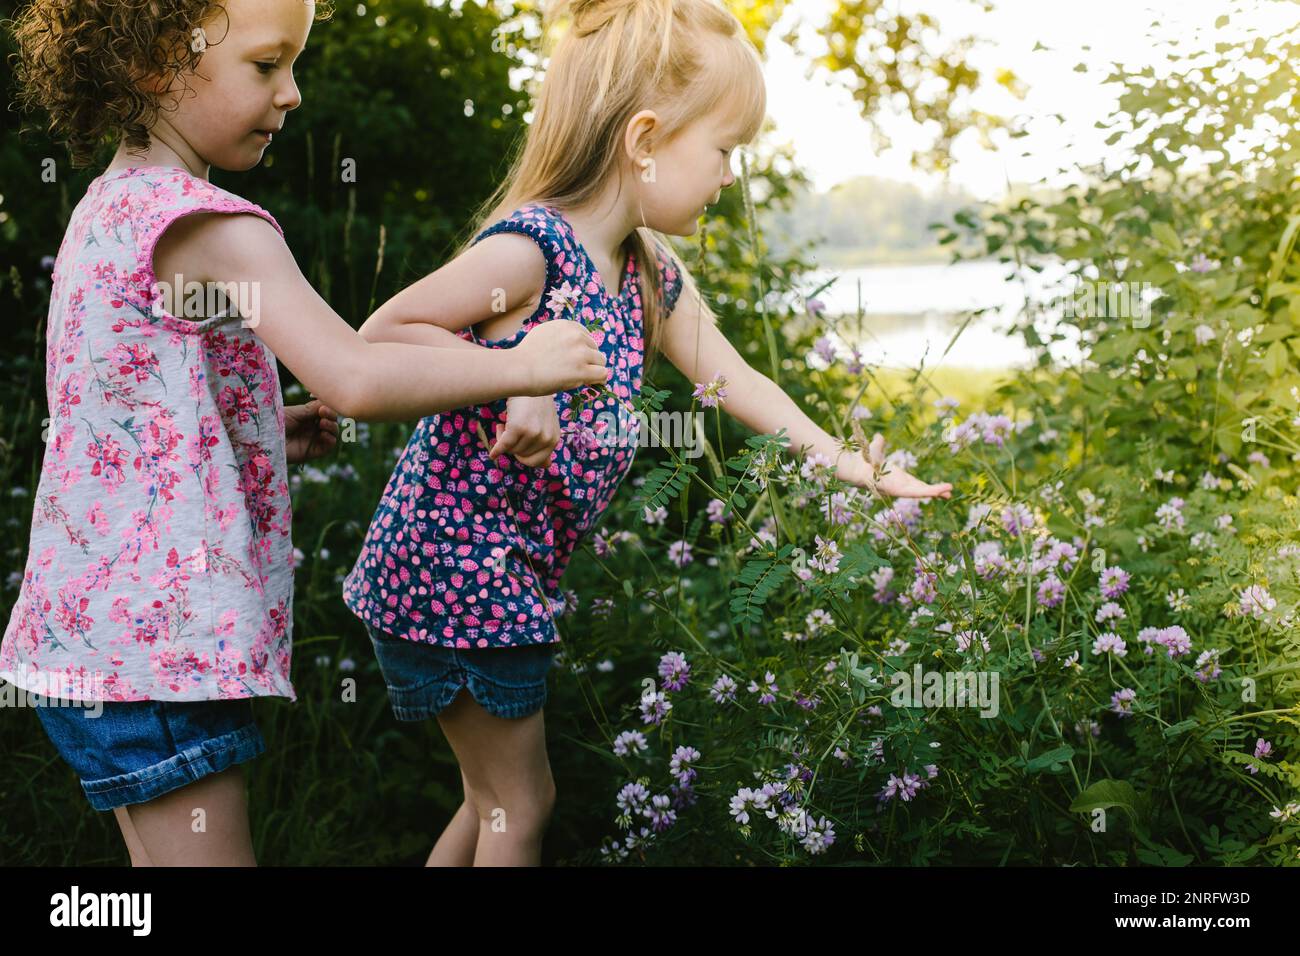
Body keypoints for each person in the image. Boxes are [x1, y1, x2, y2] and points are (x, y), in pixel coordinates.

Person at [345, 0, 953, 867]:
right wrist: (517, 367)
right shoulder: (531, 254)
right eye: (724, 149)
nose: (732, 176)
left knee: (491, 803)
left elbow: (737, 381)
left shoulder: (647, 275)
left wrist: (856, 466)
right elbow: (379, 340)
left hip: (493, 577)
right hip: (449, 570)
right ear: (645, 139)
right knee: (523, 802)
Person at [2, 0, 606, 866]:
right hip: (162, 653)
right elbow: (356, 375)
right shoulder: (215, 229)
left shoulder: (105, 212)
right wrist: (526, 364)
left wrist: (260, 432)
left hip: (91, 644)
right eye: (266, 65)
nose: (291, 94)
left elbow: (123, 421)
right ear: (151, 66)